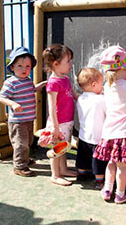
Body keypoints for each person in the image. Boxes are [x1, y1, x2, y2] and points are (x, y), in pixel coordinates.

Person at [93, 45, 126, 204]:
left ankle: (107, 190)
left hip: (109, 134)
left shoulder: (108, 86)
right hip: (125, 135)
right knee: (122, 167)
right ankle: (120, 194)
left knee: (111, 163)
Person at [0, 47, 46, 177]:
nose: (24, 69)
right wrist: (13, 104)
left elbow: (31, 90)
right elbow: (1, 97)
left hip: (28, 119)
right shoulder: (11, 82)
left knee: (28, 141)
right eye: (20, 66)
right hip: (18, 121)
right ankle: (19, 166)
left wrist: (41, 85)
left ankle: (24, 160)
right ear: (12, 67)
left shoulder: (27, 81)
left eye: (27, 66)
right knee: (20, 143)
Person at [42, 43, 79, 186]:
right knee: (56, 148)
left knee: (64, 146)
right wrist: (55, 127)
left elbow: (74, 95)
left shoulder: (65, 79)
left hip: (67, 121)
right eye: (68, 61)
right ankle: (55, 174)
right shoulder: (53, 82)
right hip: (58, 123)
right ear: (56, 64)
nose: (70, 64)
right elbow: (51, 107)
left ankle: (63, 169)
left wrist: (87, 96)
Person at [76, 67, 108, 189]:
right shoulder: (101, 99)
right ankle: (99, 181)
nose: (102, 86)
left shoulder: (81, 99)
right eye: (101, 83)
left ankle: (81, 174)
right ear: (94, 85)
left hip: (84, 135)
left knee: (83, 157)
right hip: (97, 136)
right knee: (98, 160)